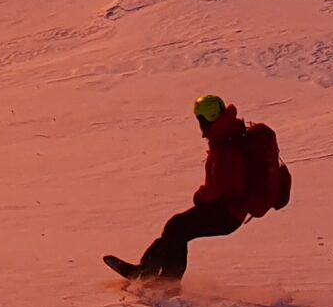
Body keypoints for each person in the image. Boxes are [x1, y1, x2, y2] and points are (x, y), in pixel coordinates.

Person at [106, 94, 291, 282]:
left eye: (199, 120)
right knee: (176, 229)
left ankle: (166, 282)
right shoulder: (228, 136)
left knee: (177, 228)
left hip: (226, 213)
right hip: (227, 210)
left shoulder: (226, 148)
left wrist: (200, 196)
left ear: (207, 119)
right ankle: (146, 271)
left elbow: (218, 187)